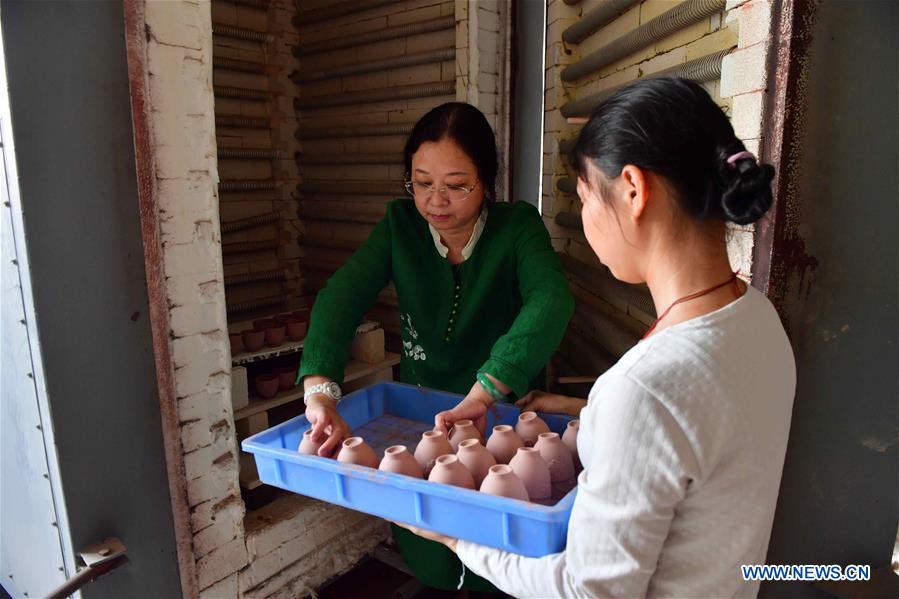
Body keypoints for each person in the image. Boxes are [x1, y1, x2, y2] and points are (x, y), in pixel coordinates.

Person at [402, 77, 797, 598]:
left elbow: (586, 591)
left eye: (586, 197)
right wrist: (588, 413)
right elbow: (699, 442)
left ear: (633, 191)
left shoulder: (642, 389)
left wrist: (457, 538)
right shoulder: (757, 318)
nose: (585, 219)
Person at [298, 101, 574, 591]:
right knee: (432, 554)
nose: (436, 201)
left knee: (500, 560)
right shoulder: (399, 227)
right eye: (422, 182)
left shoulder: (517, 227)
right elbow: (341, 296)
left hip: (498, 417)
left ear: (487, 181)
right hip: (422, 416)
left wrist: (488, 389)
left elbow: (550, 299)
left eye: (456, 185)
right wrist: (321, 392)